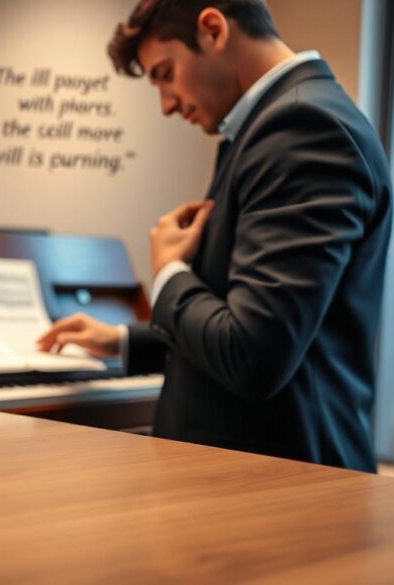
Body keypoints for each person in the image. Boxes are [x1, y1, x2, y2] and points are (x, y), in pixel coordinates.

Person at [37, 0, 392, 472]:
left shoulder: (303, 129)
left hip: (281, 492)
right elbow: (251, 315)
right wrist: (126, 340)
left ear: (212, 29)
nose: (165, 105)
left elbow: (252, 354)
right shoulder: (267, 127)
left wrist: (168, 274)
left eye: (165, 73)